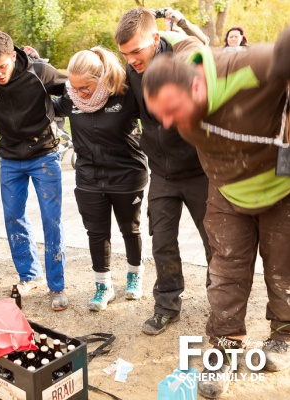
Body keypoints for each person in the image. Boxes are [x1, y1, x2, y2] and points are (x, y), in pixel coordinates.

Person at [142, 32, 290, 397]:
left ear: (197, 85)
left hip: (282, 189)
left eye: (172, 110)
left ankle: (285, 334)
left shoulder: (248, 67)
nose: (166, 123)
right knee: (226, 271)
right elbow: (190, 46)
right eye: (159, 113)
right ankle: (224, 346)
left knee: (283, 268)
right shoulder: (186, 70)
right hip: (226, 190)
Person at [115, 7, 212, 335]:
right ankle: (167, 304)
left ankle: (223, 303)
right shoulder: (131, 71)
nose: (131, 60)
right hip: (162, 175)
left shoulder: (183, 59)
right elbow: (125, 114)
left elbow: (201, 51)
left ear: (155, 39)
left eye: (136, 51)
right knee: (162, 242)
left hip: (199, 171)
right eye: (124, 54)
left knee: (215, 241)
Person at [0, 30, 68, 311]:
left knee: (52, 220)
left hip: (45, 156)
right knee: (13, 217)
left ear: (13, 56)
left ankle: (57, 286)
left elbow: (76, 91)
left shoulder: (41, 72)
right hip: (10, 158)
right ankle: (29, 275)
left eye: (2, 66)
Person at [53, 47, 148, 311]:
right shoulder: (71, 98)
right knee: (96, 233)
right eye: (74, 87)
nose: (79, 93)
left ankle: (134, 275)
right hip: (89, 177)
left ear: (101, 78)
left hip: (127, 175)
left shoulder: (125, 94)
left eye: (85, 87)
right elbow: (41, 102)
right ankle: (103, 286)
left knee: (130, 229)